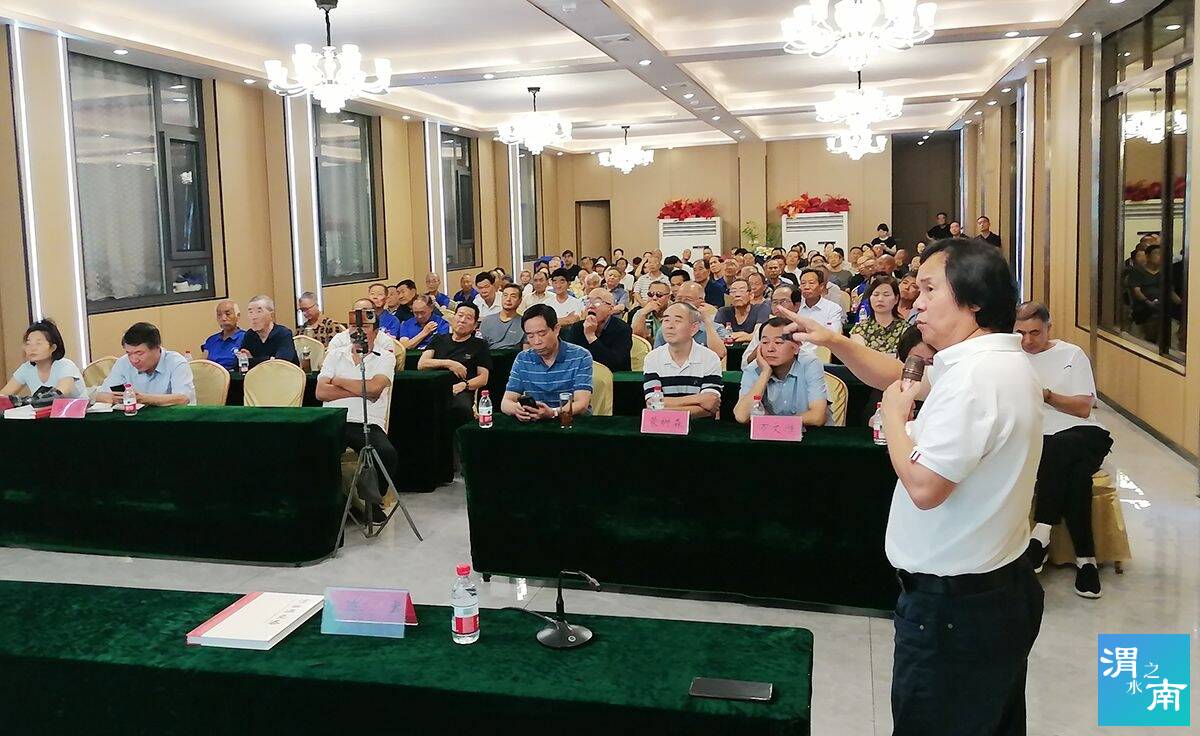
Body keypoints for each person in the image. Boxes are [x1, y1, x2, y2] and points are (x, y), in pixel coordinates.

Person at [780, 237, 1043, 735]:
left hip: (954, 607)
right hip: (996, 588)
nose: (915, 301)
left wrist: (894, 420)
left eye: (928, 289)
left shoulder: (974, 379)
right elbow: (898, 377)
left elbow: (924, 486)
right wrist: (835, 341)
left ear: (974, 299)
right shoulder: (988, 360)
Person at [1015, 302, 1113, 599]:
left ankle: (1042, 530)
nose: (1028, 341)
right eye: (1021, 333)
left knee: (1062, 445)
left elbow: (1083, 408)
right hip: (1041, 437)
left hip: (1084, 433)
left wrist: (1045, 395)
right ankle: (1086, 560)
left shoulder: (1072, 354)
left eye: (1035, 332)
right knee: (1077, 475)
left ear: (1049, 328)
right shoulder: (1011, 358)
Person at [315, 313, 397, 524]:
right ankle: (330, 502)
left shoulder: (385, 357)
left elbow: (375, 388)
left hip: (366, 421)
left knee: (386, 454)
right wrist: (361, 390)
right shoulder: (335, 355)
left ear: (375, 332)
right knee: (313, 449)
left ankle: (371, 501)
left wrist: (338, 380)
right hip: (333, 418)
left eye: (365, 326)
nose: (357, 330)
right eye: (352, 326)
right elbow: (321, 392)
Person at [501, 304, 592, 421]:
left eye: (542, 334)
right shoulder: (523, 358)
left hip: (572, 422)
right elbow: (505, 403)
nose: (536, 341)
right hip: (535, 422)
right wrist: (517, 409)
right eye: (530, 336)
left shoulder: (580, 356)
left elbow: (582, 404)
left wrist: (553, 413)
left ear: (556, 329)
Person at [734, 317, 828, 425]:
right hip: (769, 433)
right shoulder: (754, 368)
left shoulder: (810, 364)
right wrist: (765, 373)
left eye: (778, 342)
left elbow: (817, 417)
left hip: (808, 432)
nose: (770, 348)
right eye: (765, 342)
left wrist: (776, 424)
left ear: (796, 347)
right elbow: (741, 416)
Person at [641, 302, 722, 419]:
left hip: (701, 426)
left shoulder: (710, 358)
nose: (670, 326)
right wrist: (699, 399)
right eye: (666, 320)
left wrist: (664, 406)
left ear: (694, 328)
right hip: (663, 425)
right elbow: (652, 403)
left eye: (677, 321)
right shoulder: (652, 358)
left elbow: (710, 405)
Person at [419, 303, 492, 421]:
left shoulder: (480, 345)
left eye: (468, 318)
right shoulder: (438, 339)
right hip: (435, 387)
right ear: (453, 318)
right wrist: (450, 363)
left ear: (474, 325)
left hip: (460, 389)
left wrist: (464, 385)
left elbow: (483, 378)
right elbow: (422, 364)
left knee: (461, 408)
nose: (462, 320)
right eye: (460, 315)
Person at [97, 322, 196, 406]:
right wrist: (115, 398)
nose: (134, 360)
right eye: (129, 353)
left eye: (139, 353)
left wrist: (143, 399)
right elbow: (101, 395)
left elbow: (183, 399)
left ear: (157, 347)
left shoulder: (176, 362)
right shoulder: (123, 362)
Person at [2, 319, 85, 398]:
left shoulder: (65, 365)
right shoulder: (26, 368)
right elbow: (3, 396)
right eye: (28, 343)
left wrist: (28, 401)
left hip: (78, 408)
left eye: (38, 343)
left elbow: (58, 395)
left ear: (53, 347)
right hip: (45, 408)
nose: (32, 348)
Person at [562, 287, 633, 372]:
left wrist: (591, 336)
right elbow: (569, 358)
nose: (591, 306)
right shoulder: (577, 327)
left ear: (610, 309)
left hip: (615, 377)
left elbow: (615, 362)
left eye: (597, 302)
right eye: (588, 301)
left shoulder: (623, 329)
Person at [657, 281, 728, 360]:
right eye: (679, 299)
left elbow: (720, 354)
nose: (682, 303)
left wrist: (707, 322)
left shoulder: (716, 328)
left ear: (701, 302)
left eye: (688, 299)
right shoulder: (667, 327)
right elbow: (657, 357)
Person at [849, 277, 908, 356]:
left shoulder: (906, 329)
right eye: (876, 294)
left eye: (886, 295)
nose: (880, 299)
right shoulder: (860, 329)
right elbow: (860, 357)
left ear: (896, 299)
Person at [238, 295, 299, 367]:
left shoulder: (283, 333)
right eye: (250, 312)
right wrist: (270, 359)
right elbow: (240, 363)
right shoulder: (249, 335)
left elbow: (281, 363)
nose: (254, 317)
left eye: (259, 311)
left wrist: (252, 360)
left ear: (271, 314)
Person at [330, 298, 398, 355]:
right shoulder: (339, 339)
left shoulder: (385, 340)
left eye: (365, 311)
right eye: (356, 311)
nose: (360, 315)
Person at [715, 278, 771, 343]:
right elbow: (716, 336)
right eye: (733, 291)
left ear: (751, 295)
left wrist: (732, 337)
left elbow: (758, 335)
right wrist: (746, 335)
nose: (737, 295)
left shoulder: (762, 308)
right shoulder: (723, 311)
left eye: (742, 291)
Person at [202, 300, 246, 370]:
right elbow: (202, 365)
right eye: (219, 315)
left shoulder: (245, 337)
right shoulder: (211, 340)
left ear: (238, 316)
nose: (223, 318)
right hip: (212, 375)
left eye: (228, 314)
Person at [480, 284, 526, 350]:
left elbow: (526, 351)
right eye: (505, 295)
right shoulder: (487, 320)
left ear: (520, 301)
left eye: (513, 296)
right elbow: (479, 346)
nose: (508, 299)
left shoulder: (524, 323)